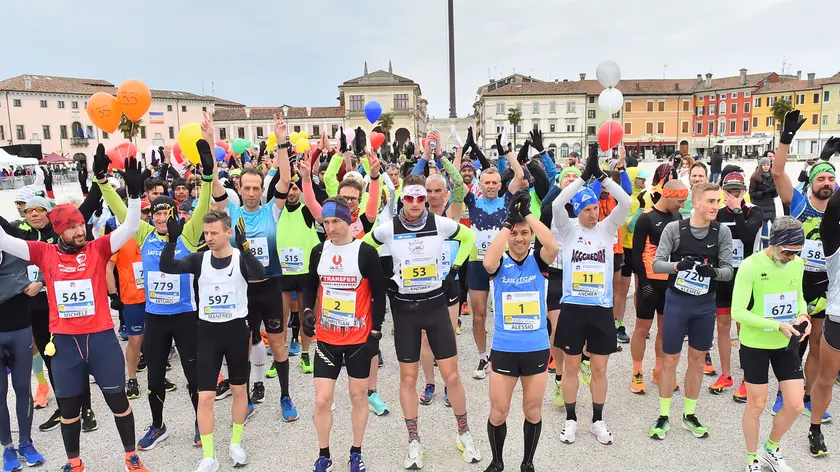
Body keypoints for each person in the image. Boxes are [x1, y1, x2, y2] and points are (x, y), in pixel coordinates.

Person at [0, 156, 147, 472]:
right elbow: (5, 241)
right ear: (59, 231)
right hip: (65, 344)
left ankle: (131, 457)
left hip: (101, 339)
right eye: (74, 227)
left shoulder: (98, 249)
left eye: (82, 224)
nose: (81, 230)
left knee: (118, 403)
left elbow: (132, 226)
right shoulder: (44, 253)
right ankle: (74, 462)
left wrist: (134, 197)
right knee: (68, 410)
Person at [99, 128, 220, 450]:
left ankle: (199, 422)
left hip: (184, 315)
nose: (162, 218)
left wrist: (208, 177)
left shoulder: (189, 234)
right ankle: (157, 425)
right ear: (151, 217)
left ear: (177, 214)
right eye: (157, 213)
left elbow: (205, 203)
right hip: (156, 316)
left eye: (167, 213)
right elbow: (122, 212)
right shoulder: (144, 235)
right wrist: (102, 183)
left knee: (194, 376)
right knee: (154, 378)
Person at [363, 177, 479, 469]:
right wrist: (382, 275)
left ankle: (464, 433)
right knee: (408, 379)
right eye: (409, 198)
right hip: (405, 312)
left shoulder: (440, 224)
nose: (414, 204)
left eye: (419, 198)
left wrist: (453, 271)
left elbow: (468, 239)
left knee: (451, 376)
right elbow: (364, 248)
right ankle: (414, 441)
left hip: (436, 306)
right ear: (402, 199)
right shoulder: (388, 229)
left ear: (425, 200)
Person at [160, 210, 265, 472]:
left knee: (240, 390)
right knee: (205, 396)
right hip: (208, 333)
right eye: (206, 233)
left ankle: (236, 443)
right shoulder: (199, 259)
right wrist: (171, 241)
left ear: (228, 233)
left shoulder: (240, 258)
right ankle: (209, 456)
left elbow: (260, 274)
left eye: (214, 233)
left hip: (236, 332)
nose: (209, 238)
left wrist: (246, 247)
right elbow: (167, 268)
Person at [212, 114, 296, 419]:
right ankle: (245, 399)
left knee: (278, 344)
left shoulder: (272, 211)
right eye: (245, 188)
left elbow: (285, 180)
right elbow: (212, 183)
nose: (250, 192)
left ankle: (285, 397)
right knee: (243, 348)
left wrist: (282, 140)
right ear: (239, 187)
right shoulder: (230, 210)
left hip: (271, 288)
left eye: (255, 188)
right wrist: (210, 141)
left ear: (261, 189)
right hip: (241, 290)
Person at [301, 197, 385, 472]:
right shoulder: (318, 251)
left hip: (359, 340)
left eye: (335, 221)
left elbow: (379, 294)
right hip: (327, 339)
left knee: (358, 396)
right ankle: (324, 454)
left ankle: (356, 451)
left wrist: (375, 331)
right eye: (325, 222)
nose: (331, 227)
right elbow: (310, 286)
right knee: (322, 398)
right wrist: (306, 312)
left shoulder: (365, 252)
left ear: (348, 219)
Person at [552, 150, 630, 445]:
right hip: (573, 307)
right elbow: (559, 202)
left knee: (599, 368)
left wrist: (602, 179)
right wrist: (582, 179)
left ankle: (597, 419)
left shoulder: (608, 229)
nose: (594, 213)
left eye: (596, 208)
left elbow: (626, 202)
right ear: (578, 211)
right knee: (571, 366)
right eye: (588, 209)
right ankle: (571, 419)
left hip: (600, 309)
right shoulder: (567, 229)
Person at [650, 182, 734, 440]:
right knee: (670, 360)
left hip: (704, 305)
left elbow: (729, 271)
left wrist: (713, 272)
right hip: (677, 302)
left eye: (717, 201)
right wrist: (677, 266)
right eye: (710, 201)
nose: (715, 206)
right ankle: (663, 416)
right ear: (694, 203)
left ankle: (689, 414)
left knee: (697, 359)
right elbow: (657, 264)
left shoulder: (721, 233)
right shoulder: (675, 229)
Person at [482, 190, 558, 472]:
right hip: (504, 347)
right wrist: (507, 222)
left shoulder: (538, 260)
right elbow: (487, 262)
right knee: (499, 411)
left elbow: (552, 244)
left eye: (525, 233)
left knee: (532, 410)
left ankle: (527, 463)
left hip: (535, 347)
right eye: (515, 234)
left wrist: (526, 215)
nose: (520, 238)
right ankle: (497, 461)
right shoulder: (500, 262)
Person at [731, 216, 809, 472]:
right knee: (757, 405)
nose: (791, 258)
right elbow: (737, 312)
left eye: (797, 253)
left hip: (785, 342)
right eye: (787, 252)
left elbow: (798, 298)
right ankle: (752, 458)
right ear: (774, 244)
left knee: (796, 405)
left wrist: (803, 316)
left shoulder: (796, 264)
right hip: (755, 343)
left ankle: (771, 448)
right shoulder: (750, 266)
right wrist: (776, 324)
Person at [771, 111, 834, 423]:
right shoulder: (798, 203)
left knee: (819, 343)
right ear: (812, 183)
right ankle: (785, 393)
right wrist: (787, 137)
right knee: (794, 340)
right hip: (796, 281)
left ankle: (808, 395)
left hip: (825, 285)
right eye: (821, 178)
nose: (827, 183)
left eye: (831, 178)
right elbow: (778, 171)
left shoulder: (837, 208)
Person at [464, 133, 524, 380]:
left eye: (494, 182)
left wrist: (508, 151)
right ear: (480, 183)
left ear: (500, 184)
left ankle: (505, 352)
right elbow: (456, 181)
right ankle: (482, 356)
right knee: (479, 315)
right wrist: (462, 151)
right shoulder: (473, 201)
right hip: (477, 262)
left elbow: (520, 176)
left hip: (502, 261)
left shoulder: (506, 199)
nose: (490, 186)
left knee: (504, 309)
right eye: (486, 182)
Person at [709, 173, 763, 401]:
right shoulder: (718, 214)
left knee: (743, 328)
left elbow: (749, 236)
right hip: (724, 276)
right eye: (729, 191)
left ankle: (746, 379)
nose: (733, 195)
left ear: (744, 191)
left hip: (745, 277)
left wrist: (738, 210)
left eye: (737, 191)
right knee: (722, 326)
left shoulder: (754, 211)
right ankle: (726, 375)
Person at [630, 180, 687, 394]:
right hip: (650, 282)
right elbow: (635, 256)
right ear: (669, 196)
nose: (682, 205)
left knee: (665, 330)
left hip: (670, 282)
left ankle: (659, 369)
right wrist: (643, 283)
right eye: (680, 201)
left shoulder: (678, 217)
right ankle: (637, 371)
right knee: (642, 329)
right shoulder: (646, 219)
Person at [805, 136, 840, 457]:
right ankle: (813, 426)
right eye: (822, 178)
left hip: (829, 304)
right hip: (830, 312)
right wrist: (828, 159)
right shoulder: (833, 240)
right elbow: (834, 207)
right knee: (824, 377)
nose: (828, 183)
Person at [749, 157, 777, 248]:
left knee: (774, 228)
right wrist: (764, 193)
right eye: (764, 165)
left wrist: (774, 191)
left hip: (770, 206)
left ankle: (773, 246)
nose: (766, 167)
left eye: (768, 165)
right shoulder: (755, 177)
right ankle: (764, 248)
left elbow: (775, 195)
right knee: (764, 229)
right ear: (760, 166)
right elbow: (752, 193)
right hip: (760, 206)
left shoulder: (772, 176)